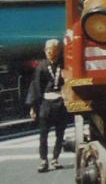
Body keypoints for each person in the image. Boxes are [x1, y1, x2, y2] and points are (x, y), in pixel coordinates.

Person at [26, 39, 69, 173]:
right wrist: (33, 107)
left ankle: (55, 159)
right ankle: (43, 160)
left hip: (61, 102)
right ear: (45, 51)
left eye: (53, 49)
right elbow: (35, 86)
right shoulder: (41, 66)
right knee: (43, 133)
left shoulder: (64, 64)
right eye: (48, 49)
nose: (50, 52)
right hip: (46, 104)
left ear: (59, 50)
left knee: (60, 133)